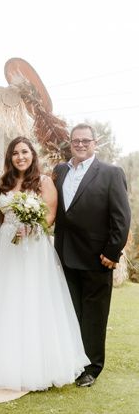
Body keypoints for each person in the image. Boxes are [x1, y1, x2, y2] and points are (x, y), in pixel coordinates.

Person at [0, 136, 89, 391]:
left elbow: (51, 215)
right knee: (6, 301)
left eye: (24, 152)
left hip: (34, 249)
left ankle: (39, 367)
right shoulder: (4, 184)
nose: (20, 156)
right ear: (10, 158)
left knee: (34, 301)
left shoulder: (44, 181)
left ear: (32, 155)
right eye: (15, 153)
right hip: (7, 248)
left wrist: (33, 226)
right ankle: (1, 362)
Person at [53, 123, 131, 387]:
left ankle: (92, 368)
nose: (81, 144)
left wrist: (112, 252)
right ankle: (72, 362)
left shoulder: (111, 173)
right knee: (70, 313)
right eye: (76, 140)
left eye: (86, 140)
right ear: (70, 143)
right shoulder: (60, 170)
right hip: (65, 255)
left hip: (98, 257)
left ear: (95, 143)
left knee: (94, 315)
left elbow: (121, 217)